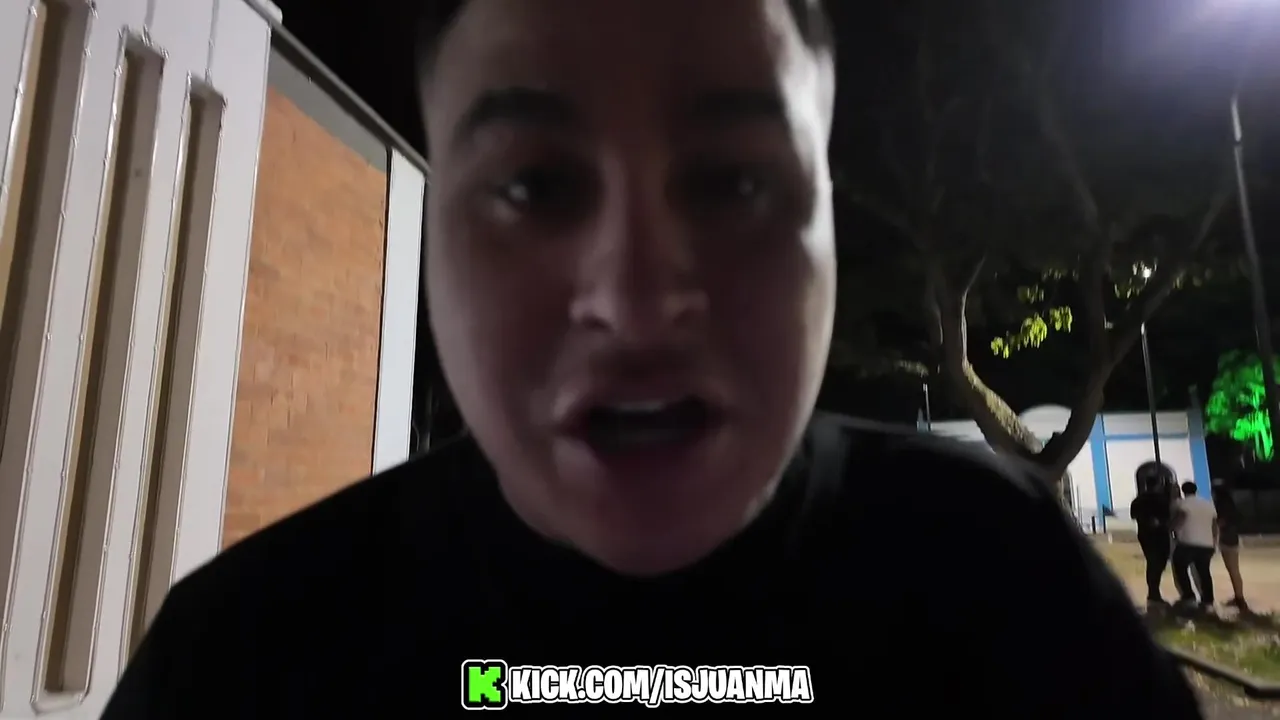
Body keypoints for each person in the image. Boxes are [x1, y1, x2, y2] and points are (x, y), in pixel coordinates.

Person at [100, 1, 1203, 717]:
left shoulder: (1015, 592)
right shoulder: (234, 671)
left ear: (826, 213)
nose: (633, 304)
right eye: (533, 183)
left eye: (734, 180)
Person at [1130, 462, 1175, 606]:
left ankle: (1153, 591)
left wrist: (1145, 519)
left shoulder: (1138, 500)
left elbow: (1133, 515)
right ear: (1157, 485)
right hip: (1159, 534)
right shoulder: (1162, 499)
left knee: (1152, 561)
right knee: (1159, 562)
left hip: (1144, 534)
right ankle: (1153, 592)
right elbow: (1168, 516)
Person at [1172, 481, 1218, 611]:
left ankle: (1188, 596)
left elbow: (1181, 519)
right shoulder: (1208, 504)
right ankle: (1208, 600)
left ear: (1183, 491)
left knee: (1180, 568)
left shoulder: (1183, 504)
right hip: (1207, 544)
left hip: (1188, 543)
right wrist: (1214, 541)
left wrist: (1171, 528)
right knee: (1204, 572)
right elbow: (1214, 524)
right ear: (1196, 490)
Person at [1211, 477, 1248, 610]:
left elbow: (1221, 522)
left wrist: (1214, 535)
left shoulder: (1222, 504)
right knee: (1233, 569)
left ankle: (1240, 599)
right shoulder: (1229, 502)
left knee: (1233, 570)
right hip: (1232, 537)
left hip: (1228, 539)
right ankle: (1238, 597)